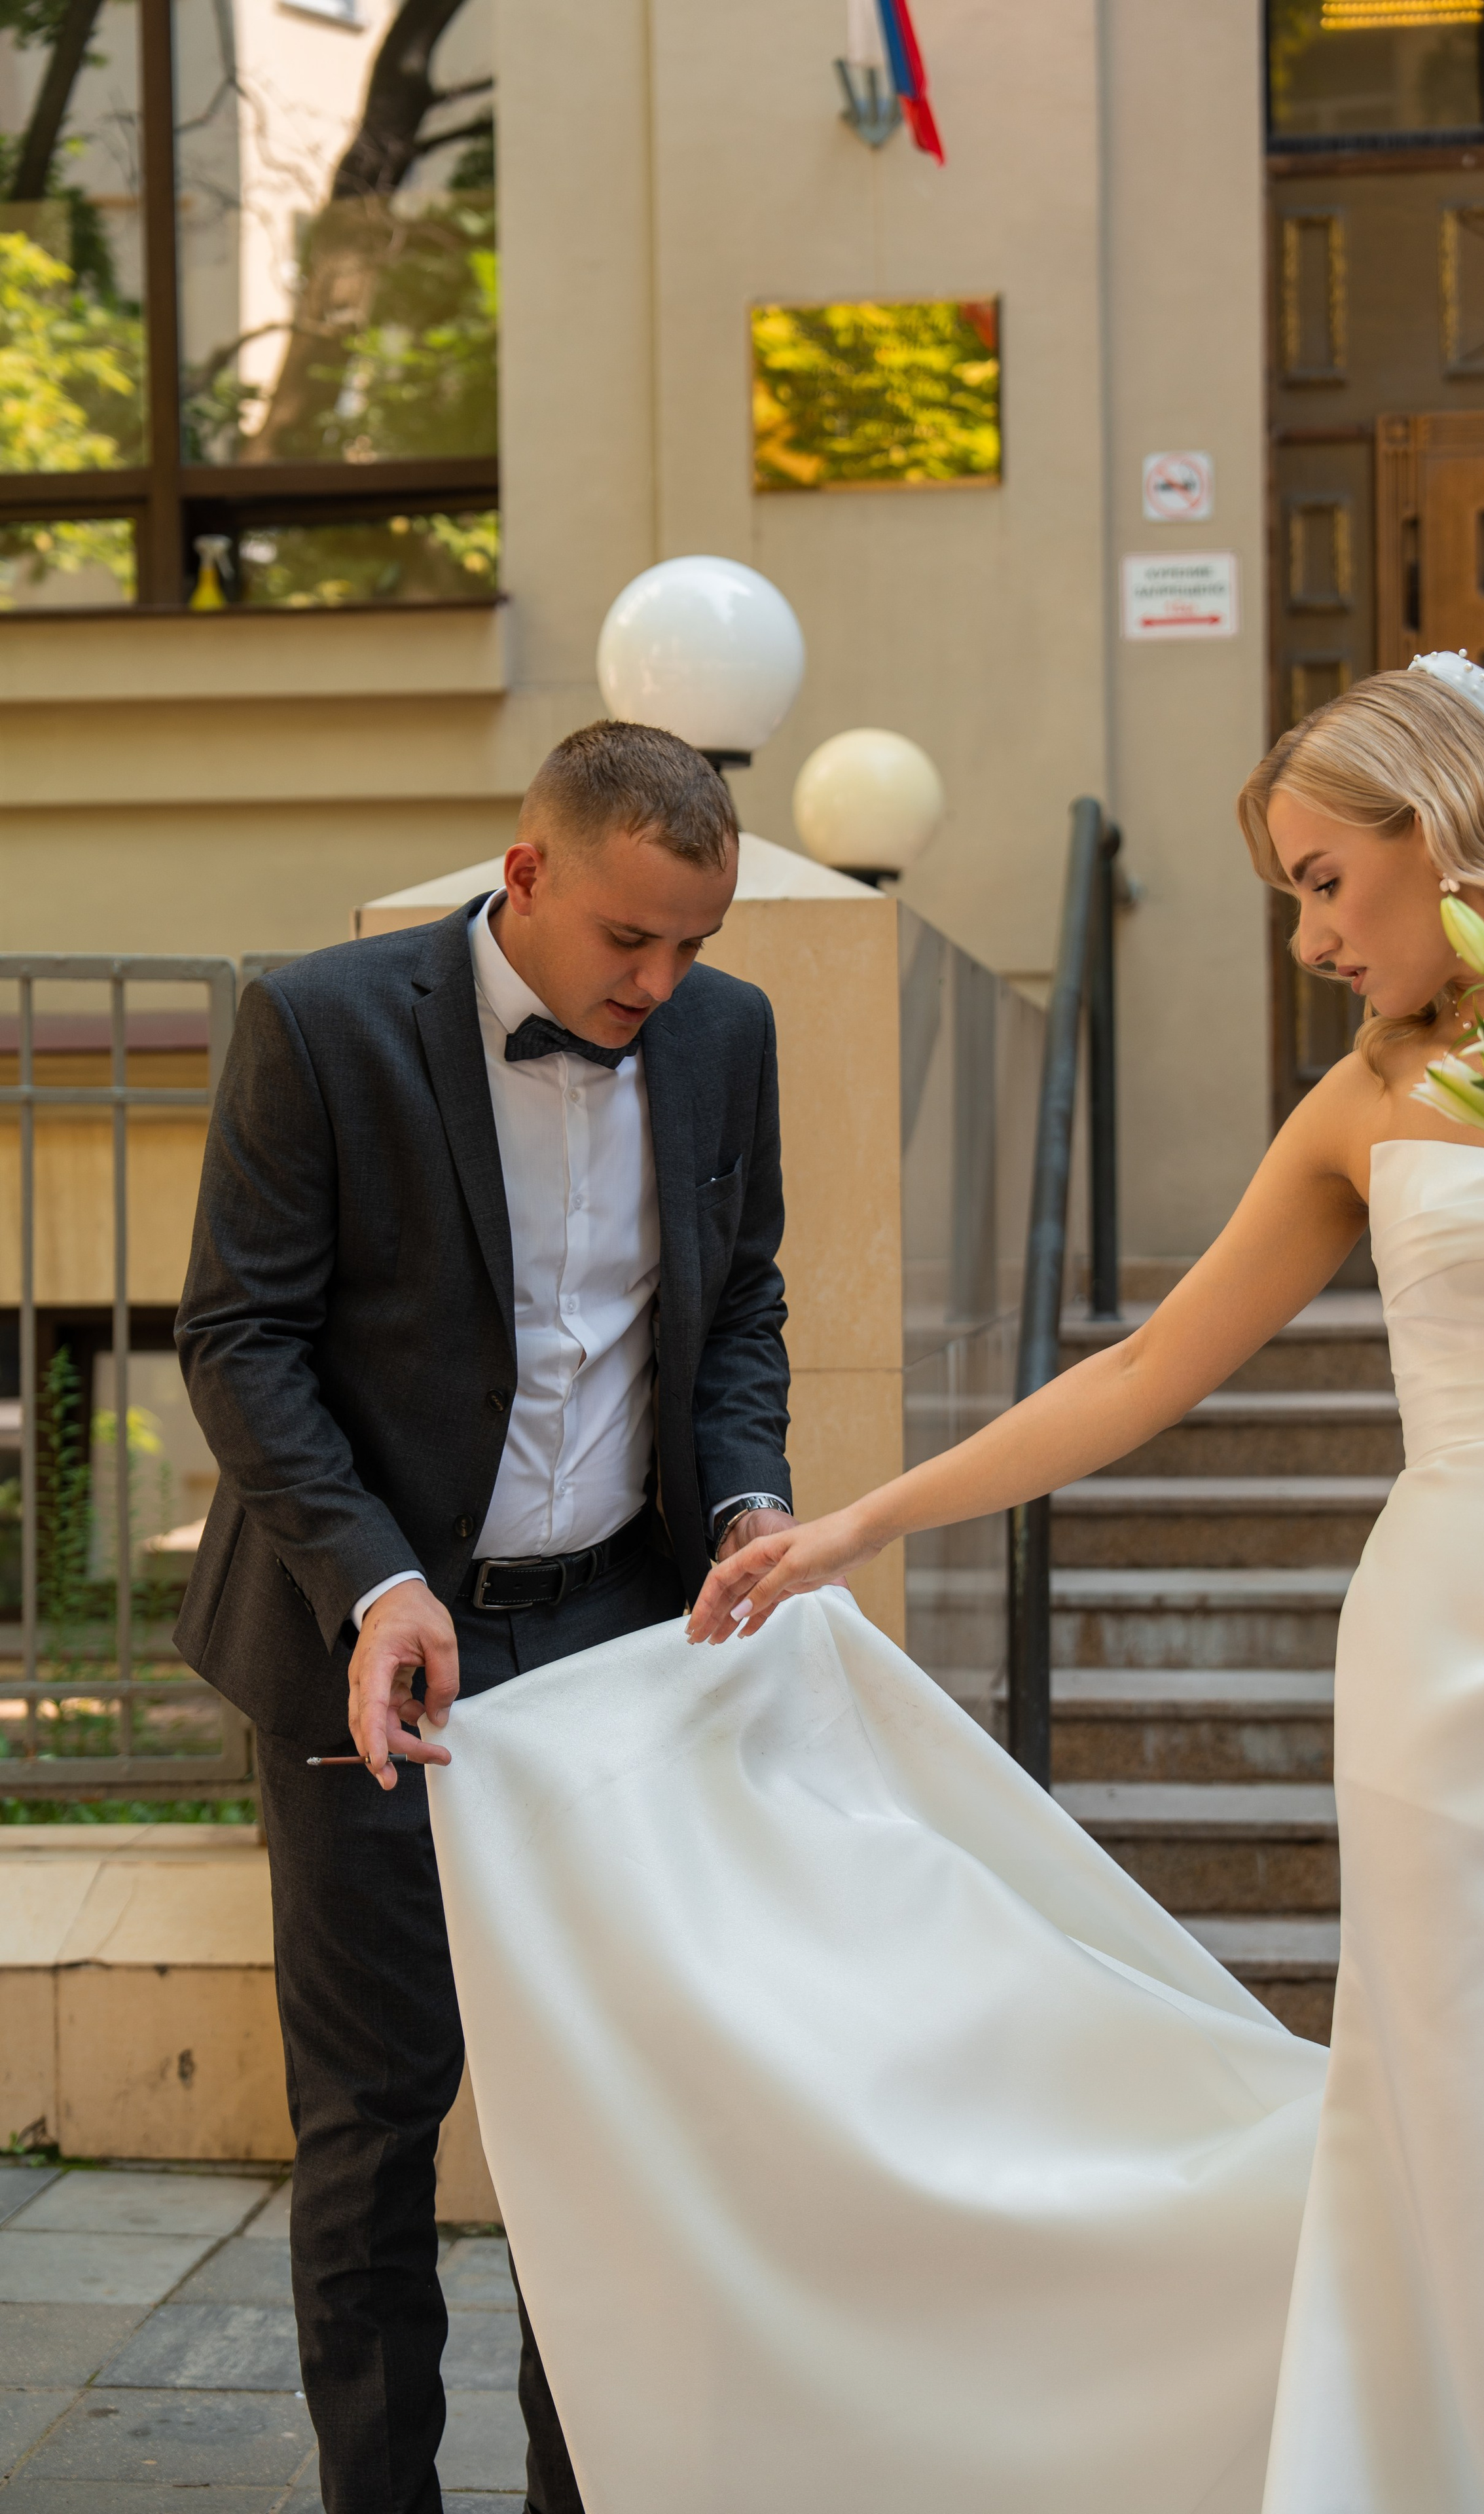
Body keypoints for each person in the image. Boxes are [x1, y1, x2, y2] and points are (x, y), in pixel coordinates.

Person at [689, 661, 1484, 2511]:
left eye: (1322, 879)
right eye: (1288, 896)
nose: (1308, 936)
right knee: (1477, 2102)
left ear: (1441, 827)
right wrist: (857, 1524)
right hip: (1460, 1672)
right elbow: (1140, 1374)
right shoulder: (1355, 1110)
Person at [173, 720, 798, 2514]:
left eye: (697, 946)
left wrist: (747, 1493)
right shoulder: (320, 1021)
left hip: (615, 1643)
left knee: (590, 2122)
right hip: (366, 1642)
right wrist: (374, 1582)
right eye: (631, 942)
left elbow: (741, 1300)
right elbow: (244, 1340)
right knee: (376, 2121)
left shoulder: (723, 1037)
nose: (664, 983)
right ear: (525, 876)